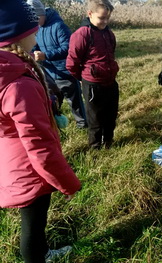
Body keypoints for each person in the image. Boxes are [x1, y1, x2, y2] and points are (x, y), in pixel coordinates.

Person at [0, 1, 81, 262]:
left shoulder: (8, 70)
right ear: (19, 36)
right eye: (33, 32)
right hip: (29, 172)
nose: (37, 36)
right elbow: (39, 145)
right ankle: (37, 256)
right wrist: (66, 181)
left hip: (12, 163)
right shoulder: (19, 85)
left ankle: (43, 252)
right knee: (33, 225)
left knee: (34, 223)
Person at [66, 0, 119, 149]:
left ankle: (108, 142)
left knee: (111, 115)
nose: (105, 21)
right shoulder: (82, 34)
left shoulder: (108, 33)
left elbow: (112, 52)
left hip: (110, 82)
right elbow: (72, 63)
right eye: (101, 18)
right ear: (90, 14)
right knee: (95, 119)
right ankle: (95, 147)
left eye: (107, 18)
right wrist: (83, 78)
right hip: (92, 84)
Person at [28, 0, 87, 129]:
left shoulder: (58, 26)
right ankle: (57, 123)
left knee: (74, 102)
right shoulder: (37, 29)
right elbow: (35, 46)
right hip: (49, 74)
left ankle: (82, 124)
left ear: (42, 13)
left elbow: (68, 48)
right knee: (54, 101)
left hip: (65, 71)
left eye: (37, 18)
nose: (36, 22)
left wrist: (46, 55)